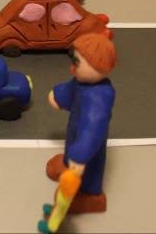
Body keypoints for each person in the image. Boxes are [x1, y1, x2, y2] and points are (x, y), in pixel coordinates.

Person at [46, 32, 117, 214]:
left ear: (98, 66)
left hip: (88, 150)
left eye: (77, 62)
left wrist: (80, 156)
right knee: (71, 144)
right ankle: (68, 162)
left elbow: (93, 130)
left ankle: (91, 194)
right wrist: (59, 96)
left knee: (90, 168)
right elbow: (71, 89)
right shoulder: (81, 82)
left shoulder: (99, 97)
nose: (72, 67)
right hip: (74, 130)